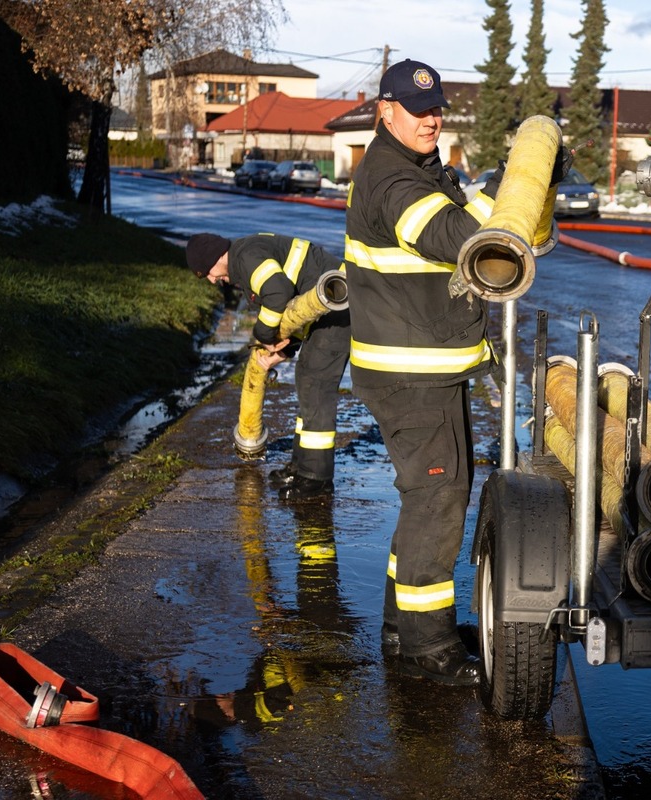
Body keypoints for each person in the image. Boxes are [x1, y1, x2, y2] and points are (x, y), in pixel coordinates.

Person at [342, 59, 510, 687]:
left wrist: (511, 185)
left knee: (431, 498)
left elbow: (465, 215)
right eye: (417, 110)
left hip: (428, 367)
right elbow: (455, 235)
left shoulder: (419, 167)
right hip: (411, 373)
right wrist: (512, 186)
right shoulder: (391, 178)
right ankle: (427, 649)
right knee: (437, 499)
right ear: (384, 110)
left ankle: (400, 627)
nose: (431, 118)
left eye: (437, 107)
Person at [186, 232, 351, 501]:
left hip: (337, 301)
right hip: (324, 309)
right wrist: (283, 349)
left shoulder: (246, 257)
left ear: (216, 257)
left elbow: (278, 293)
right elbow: (292, 309)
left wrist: (264, 335)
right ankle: (301, 467)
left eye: (208, 273)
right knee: (307, 380)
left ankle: (315, 478)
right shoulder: (243, 261)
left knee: (315, 383)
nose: (213, 280)